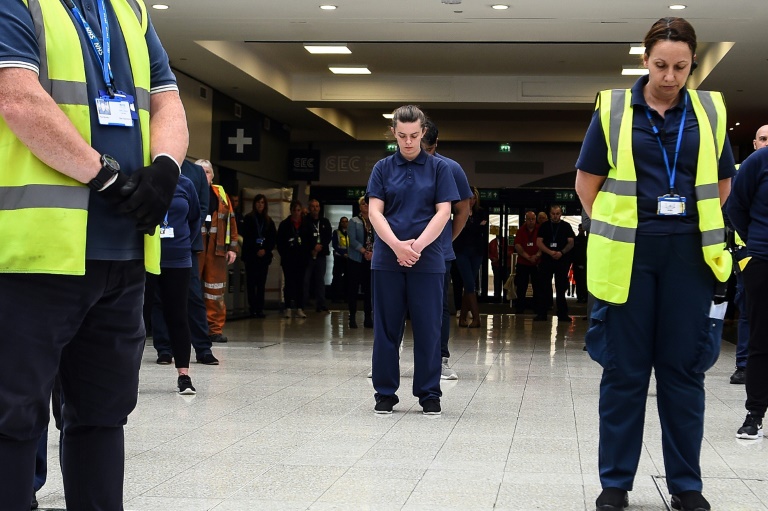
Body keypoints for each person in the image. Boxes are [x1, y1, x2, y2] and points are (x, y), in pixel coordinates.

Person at [0, 0, 188, 508]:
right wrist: (102, 174)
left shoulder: (130, 9)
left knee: (103, 418)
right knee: (11, 419)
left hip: (122, 253)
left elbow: (168, 100)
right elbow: (16, 98)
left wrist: (167, 167)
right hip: (32, 257)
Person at [575, 17, 735, 511]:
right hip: (629, 255)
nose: (670, 76)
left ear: (692, 64)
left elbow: (722, 184)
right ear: (645, 60)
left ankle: (686, 485)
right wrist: (623, 228)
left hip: (691, 256)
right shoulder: (615, 109)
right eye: (661, 65)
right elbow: (588, 184)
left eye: (681, 67)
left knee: (683, 372)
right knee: (623, 372)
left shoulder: (709, 110)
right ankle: (615, 484)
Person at [367, 105, 459, 415]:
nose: (408, 142)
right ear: (393, 132)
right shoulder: (381, 168)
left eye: (415, 136)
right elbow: (374, 211)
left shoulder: (439, 169)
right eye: (402, 136)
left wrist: (415, 247)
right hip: (388, 259)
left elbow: (444, 212)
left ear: (423, 133)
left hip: (428, 258)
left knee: (429, 328)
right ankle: (385, 393)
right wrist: (396, 246)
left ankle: (429, 393)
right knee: (386, 328)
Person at [152, 159, 219, 366]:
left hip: (184, 248)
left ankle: (203, 348)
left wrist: (184, 239)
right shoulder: (151, 166)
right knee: (157, 299)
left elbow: (201, 210)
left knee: (193, 297)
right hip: (154, 246)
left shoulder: (195, 172)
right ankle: (164, 349)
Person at [421, 119, 472, 380]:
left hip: (438, 253)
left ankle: (440, 358)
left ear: (436, 145)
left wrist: (447, 239)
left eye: (427, 150)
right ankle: (389, 356)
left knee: (438, 306)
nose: (422, 154)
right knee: (396, 304)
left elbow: (463, 209)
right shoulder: (393, 167)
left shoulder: (451, 168)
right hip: (400, 250)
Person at [143, 173, 201, 394]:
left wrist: (182, 243)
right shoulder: (147, 177)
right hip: (147, 258)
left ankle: (184, 376)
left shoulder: (186, 183)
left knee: (177, 316)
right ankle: (130, 375)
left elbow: (195, 219)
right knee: (140, 316)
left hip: (178, 260)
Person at [727, 144, 768, 440]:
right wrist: (753, 246)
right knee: (761, 339)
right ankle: (755, 413)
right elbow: (735, 206)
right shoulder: (760, 161)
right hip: (763, 260)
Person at [197, 159, 239, 343]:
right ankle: (190, 328)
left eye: (207, 172)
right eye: (200, 171)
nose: (204, 175)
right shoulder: (188, 190)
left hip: (217, 250)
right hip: (195, 249)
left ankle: (214, 330)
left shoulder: (221, 194)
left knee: (215, 293)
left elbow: (231, 222)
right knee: (189, 291)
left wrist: (233, 248)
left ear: (212, 175)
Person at [453, 187, 488, 327]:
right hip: (461, 252)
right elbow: (460, 230)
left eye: (474, 198)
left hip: (477, 252)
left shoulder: (481, 212)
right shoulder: (459, 212)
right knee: (469, 283)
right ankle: (476, 317)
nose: (472, 201)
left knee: (469, 284)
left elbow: (481, 230)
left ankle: (462, 317)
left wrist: (471, 227)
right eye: (469, 198)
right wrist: (475, 227)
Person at [535, 205, 574, 322]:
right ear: (550, 214)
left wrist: (561, 252)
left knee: (561, 288)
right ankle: (542, 313)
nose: (555, 216)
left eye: (557, 213)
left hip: (561, 260)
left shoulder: (566, 226)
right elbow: (539, 242)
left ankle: (562, 313)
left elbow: (571, 242)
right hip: (547, 260)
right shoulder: (545, 226)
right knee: (544, 287)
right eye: (553, 213)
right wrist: (550, 252)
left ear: (561, 214)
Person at [241, 194, 277, 318]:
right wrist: (256, 249)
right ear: (254, 204)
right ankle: (252, 308)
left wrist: (265, 250)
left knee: (261, 284)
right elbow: (247, 238)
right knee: (251, 283)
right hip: (252, 256)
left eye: (262, 202)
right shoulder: (249, 219)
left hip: (263, 257)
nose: (260, 205)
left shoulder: (268, 221)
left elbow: (272, 239)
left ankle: (260, 308)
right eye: (258, 202)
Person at [277, 200, 309, 318]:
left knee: (300, 283)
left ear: (301, 211)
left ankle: (300, 307)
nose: (296, 213)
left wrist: (306, 255)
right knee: (289, 283)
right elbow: (279, 242)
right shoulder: (285, 224)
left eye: (298, 210)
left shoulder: (306, 224)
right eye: (294, 210)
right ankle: (288, 307)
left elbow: (309, 241)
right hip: (288, 259)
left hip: (301, 259)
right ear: (291, 211)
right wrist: (285, 254)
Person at [301, 198, 333, 313]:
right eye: (313, 206)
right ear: (309, 208)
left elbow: (328, 236)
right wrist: (313, 247)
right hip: (308, 254)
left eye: (317, 206)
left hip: (321, 255)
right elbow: (304, 237)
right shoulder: (305, 221)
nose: (315, 208)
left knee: (320, 280)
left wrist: (320, 247)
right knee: (305, 280)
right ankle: (303, 303)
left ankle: (321, 304)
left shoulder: (324, 221)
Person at [347, 197, 374, 328]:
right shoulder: (354, 221)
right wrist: (364, 251)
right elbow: (352, 240)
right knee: (352, 289)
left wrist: (372, 253)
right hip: (356, 259)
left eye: (368, 203)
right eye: (363, 203)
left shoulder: (375, 221)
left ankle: (368, 317)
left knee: (369, 290)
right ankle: (352, 316)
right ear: (359, 206)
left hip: (370, 260)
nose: (366, 205)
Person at [513, 211, 541, 313]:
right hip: (523, 262)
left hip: (537, 262)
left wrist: (537, 255)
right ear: (525, 219)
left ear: (535, 219)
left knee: (537, 286)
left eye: (532, 219)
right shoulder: (521, 230)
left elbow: (543, 244)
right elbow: (517, 245)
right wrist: (528, 257)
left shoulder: (539, 229)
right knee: (521, 286)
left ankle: (537, 307)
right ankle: (520, 307)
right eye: (528, 219)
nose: (531, 221)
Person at [331, 216, 350, 302]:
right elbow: (335, 245)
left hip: (348, 257)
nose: (344, 223)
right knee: (337, 277)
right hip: (339, 257)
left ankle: (346, 296)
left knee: (347, 277)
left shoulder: (350, 232)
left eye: (346, 221)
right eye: (343, 221)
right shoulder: (336, 232)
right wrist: (343, 253)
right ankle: (335, 296)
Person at [571, 223, 588, 303]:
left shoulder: (587, 240)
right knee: (578, 280)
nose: (581, 230)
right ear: (578, 229)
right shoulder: (575, 240)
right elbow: (574, 253)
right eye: (580, 228)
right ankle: (579, 296)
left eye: (582, 228)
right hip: (577, 263)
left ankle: (585, 296)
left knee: (585, 281)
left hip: (585, 263)